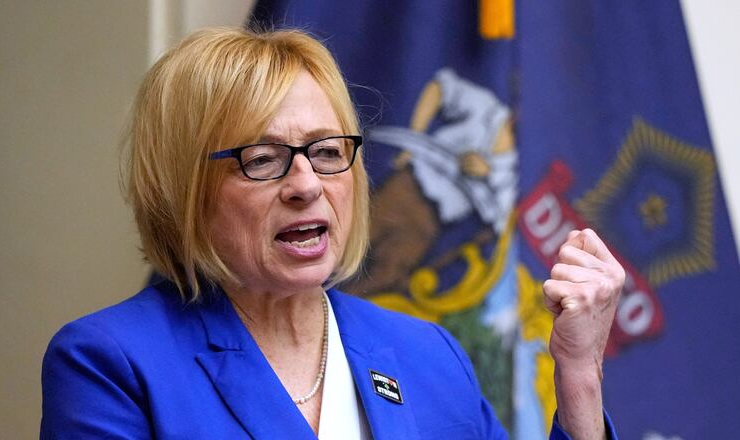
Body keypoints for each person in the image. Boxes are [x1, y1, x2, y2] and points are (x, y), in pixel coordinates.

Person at [41, 27, 624, 439]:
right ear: (183, 186)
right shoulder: (111, 363)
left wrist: (577, 378)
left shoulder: (427, 354)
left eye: (325, 151)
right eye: (264, 158)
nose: (306, 184)